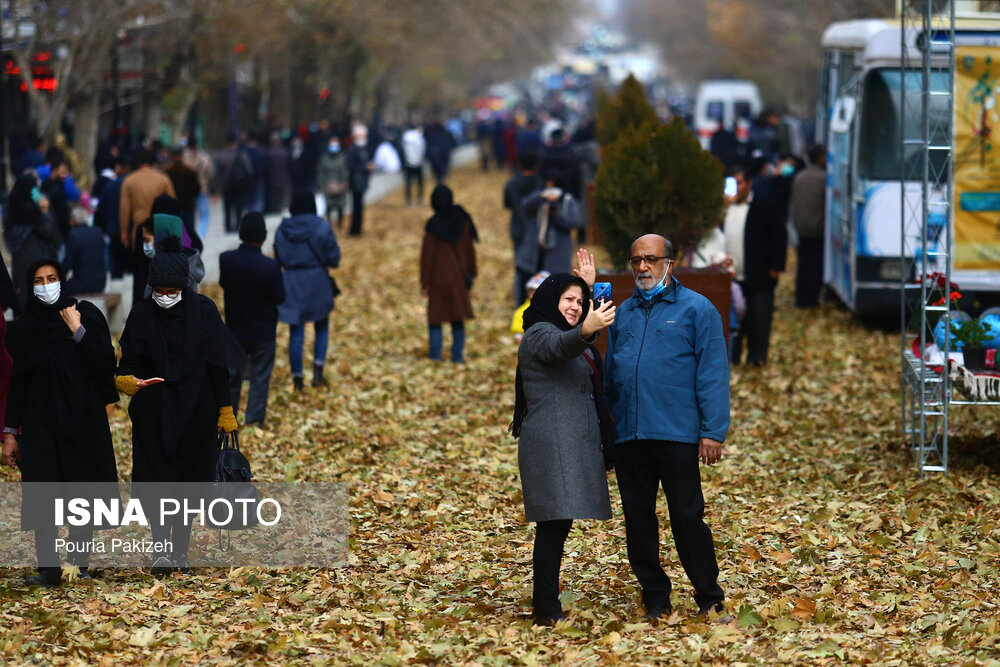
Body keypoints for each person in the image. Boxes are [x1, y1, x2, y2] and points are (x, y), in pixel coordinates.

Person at [602, 234, 729, 620]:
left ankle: (709, 596)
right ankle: (655, 597)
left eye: (651, 259)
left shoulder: (697, 309)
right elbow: (610, 376)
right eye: (636, 260)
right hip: (630, 435)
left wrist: (712, 431)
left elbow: (712, 372)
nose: (642, 267)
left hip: (676, 433)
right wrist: (608, 431)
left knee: (687, 519)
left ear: (669, 264)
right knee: (638, 522)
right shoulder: (622, 313)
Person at [115, 241, 243, 574]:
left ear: (183, 287)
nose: (165, 296)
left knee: (187, 482)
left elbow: (219, 365)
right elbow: (128, 357)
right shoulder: (143, 313)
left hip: (196, 412)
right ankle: (160, 548)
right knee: (159, 481)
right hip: (153, 413)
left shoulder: (203, 311)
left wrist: (225, 410)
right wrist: (126, 380)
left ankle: (181, 550)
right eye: (159, 290)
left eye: (171, 290)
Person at [509, 273, 618, 625]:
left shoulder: (563, 332)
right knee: (553, 526)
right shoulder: (539, 333)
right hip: (552, 444)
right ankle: (545, 609)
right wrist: (587, 327)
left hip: (566, 442)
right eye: (567, 300)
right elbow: (562, 346)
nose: (574, 307)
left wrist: (587, 293)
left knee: (558, 525)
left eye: (579, 301)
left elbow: (573, 342)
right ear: (550, 301)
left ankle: (546, 605)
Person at [3, 259, 119, 587]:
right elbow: (19, 383)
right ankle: (48, 569)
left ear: (62, 279)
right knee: (43, 491)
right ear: (29, 286)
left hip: (82, 418)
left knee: (80, 490)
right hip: (40, 421)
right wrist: (10, 432)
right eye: (38, 280)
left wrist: (77, 330)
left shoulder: (85, 315)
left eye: (51, 278)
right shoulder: (26, 329)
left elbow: (104, 362)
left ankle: (79, 563)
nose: (45, 285)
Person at [220, 213, 286, 427]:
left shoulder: (226, 260)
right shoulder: (270, 266)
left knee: (232, 379)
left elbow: (223, 284)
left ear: (240, 234)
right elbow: (280, 297)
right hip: (263, 331)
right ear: (263, 236)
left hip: (234, 330)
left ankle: (229, 420)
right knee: (260, 378)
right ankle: (254, 421)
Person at [275, 191, 341, 390]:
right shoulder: (322, 227)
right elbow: (334, 258)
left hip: (292, 281)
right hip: (317, 279)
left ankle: (297, 378)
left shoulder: (283, 229)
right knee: (321, 325)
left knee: (296, 330)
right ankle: (318, 369)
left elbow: (278, 257)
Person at [420, 185, 478, 363]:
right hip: (458, 277)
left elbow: (427, 256)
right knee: (457, 317)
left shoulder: (433, 225)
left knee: (436, 318)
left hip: (437, 276)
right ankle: (457, 355)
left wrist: (425, 282)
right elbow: (469, 251)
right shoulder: (462, 220)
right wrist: (472, 273)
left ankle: (435, 355)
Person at [740, 163, 787, 366]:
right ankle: (735, 356)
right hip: (733, 277)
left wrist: (775, 266)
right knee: (739, 321)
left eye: (740, 183)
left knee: (760, 319)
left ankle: (757, 357)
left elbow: (779, 237)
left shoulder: (765, 205)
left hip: (759, 274)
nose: (737, 188)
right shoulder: (724, 210)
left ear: (749, 184)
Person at [3, 175, 62, 305]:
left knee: (23, 299)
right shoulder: (32, 212)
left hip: (19, 265)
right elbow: (48, 232)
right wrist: (45, 211)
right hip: (37, 261)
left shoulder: (12, 210)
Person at [517, 176, 584, 285]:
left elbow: (574, 222)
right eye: (548, 187)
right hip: (533, 255)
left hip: (558, 256)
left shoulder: (567, 201)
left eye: (553, 187)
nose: (551, 191)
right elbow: (525, 206)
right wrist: (542, 197)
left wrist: (556, 215)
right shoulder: (538, 198)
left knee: (555, 287)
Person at [504, 152, 544, 305]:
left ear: (519, 165)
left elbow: (507, 204)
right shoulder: (540, 183)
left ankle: (520, 303)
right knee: (539, 267)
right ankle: (539, 302)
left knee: (520, 268)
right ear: (536, 166)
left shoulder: (512, 184)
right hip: (538, 230)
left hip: (519, 229)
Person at [120, 149, 176, 254]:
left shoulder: (129, 181)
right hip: (161, 228)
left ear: (139, 163)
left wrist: (124, 231)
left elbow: (125, 209)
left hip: (138, 229)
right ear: (154, 163)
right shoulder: (163, 179)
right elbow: (172, 203)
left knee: (141, 265)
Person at [791, 145, 827, 308]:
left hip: (801, 228)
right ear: (820, 158)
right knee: (815, 267)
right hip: (818, 230)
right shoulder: (824, 178)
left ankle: (800, 298)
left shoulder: (799, 177)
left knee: (803, 266)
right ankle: (811, 300)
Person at [64, 207, 107, 295]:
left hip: (82, 282)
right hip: (100, 281)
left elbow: (68, 263)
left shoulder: (73, 235)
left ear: (73, 221)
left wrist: (57, 277)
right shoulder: (98, 232)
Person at [163, 146, 201, 245]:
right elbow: (197, 189)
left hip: (171, 207)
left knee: (172, 235)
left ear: (171, 156)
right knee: (189, 234)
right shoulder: (190, 170)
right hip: (188, 206)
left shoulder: (165, 171)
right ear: (182, 155)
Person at [183, 136, 216, 238]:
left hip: (187, 192)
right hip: (202, 190)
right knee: (204, 216)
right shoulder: (204, 157)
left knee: (189, 216)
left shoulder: (182, 158)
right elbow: (211, 174)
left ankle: (188, 237)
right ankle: (200, 236)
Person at [347, 125, 374, 236]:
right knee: (356, 206)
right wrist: (365, 167)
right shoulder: (353, 149)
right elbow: (351, 166)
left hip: (362, 181)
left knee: (359, 206)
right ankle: (354, 229)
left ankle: (358, 228)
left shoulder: (365, 148)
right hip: (355, 181)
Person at [317, 135, 349, 228]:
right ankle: (329, 225)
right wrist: (323, 186)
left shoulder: (342, 157)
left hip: (340, 187)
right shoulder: (324, 158)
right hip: (327, 186)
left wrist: (344, 184)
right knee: (329, 207)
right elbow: (321, 173)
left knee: (340, 207)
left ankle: (340, 225)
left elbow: (345, 172)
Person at [510, 271, 549, 345]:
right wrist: (519, 336)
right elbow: (518, 327)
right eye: (531, 292)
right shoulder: (522, 310)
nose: (533, 295)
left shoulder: (552, 309)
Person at [402, 124, 426, 207]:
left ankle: (409, 200)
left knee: (409, 183)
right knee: (419, 182)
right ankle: (419, 199)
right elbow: (422, 150)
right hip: (417, 163)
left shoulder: (406, 137)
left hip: (409, 163)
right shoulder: (419, 138)